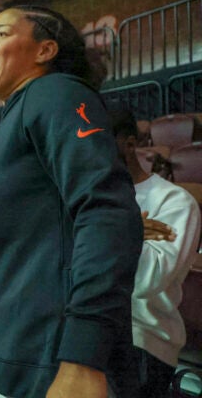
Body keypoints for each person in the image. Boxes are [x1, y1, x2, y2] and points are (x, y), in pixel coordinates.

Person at [0, 6, 143, 398]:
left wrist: (83, 356)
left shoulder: (56, 92)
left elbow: (106, 211)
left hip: (55, 359)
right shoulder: (20, 112)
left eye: (0, 34)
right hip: (18, 355)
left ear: (45, 50)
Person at [109, 107, 201, 398]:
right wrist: (132, 230)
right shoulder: (83, 200)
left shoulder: (174, 201)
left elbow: (145, 280)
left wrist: (108, 227)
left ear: (129, 144)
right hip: (81, 328)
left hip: (140, 340)